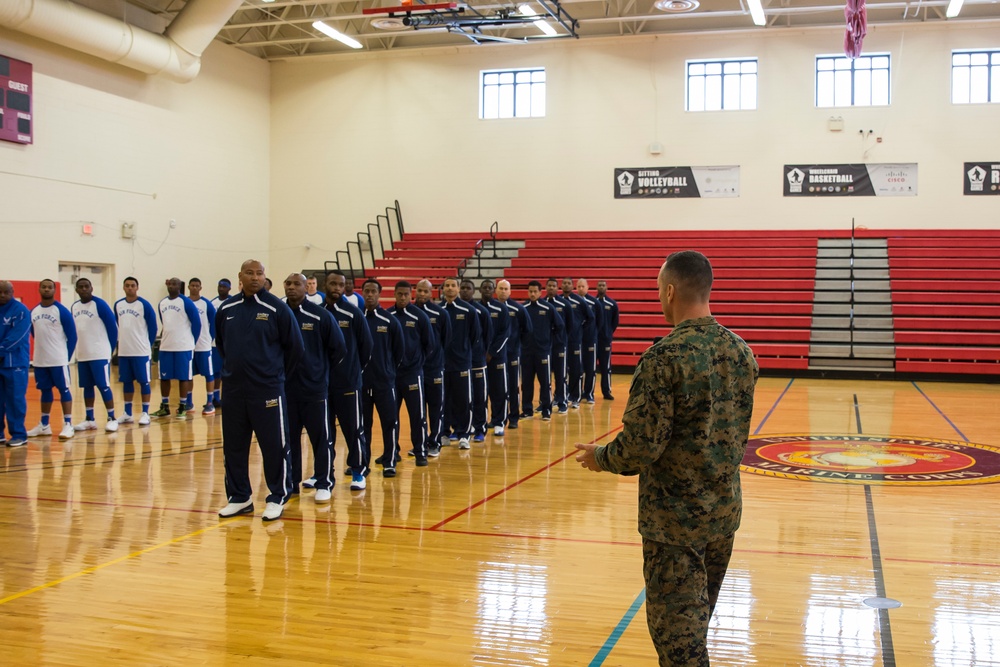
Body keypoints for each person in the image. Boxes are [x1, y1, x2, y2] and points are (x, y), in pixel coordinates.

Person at [575, 251, 758, 667]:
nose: (660, 298)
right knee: (696, 628)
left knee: (680, 648)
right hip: (723, 517)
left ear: (671, 291)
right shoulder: (742, 352)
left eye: (660, 290)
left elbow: (640, 447)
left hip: (675, 527)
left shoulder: (663, 359)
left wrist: (601, 457)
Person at [216, 259, 304, 522]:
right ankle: (239, 497)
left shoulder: (277, 308)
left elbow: (295, 348)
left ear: (265, 276)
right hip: (233, 391)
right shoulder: (226, 308)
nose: (255, 278)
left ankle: (277, 495)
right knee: (234, 446)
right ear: (240, 276)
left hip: (267, 390)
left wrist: (274, 376)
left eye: (259, 273)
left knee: (274, 446)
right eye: (249, 273)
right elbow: (222, 345)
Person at [283, 273, 344, 503]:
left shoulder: (320, 315)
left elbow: (338, 349)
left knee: (321, 438)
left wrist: (320, 371)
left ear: (307, 287)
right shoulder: (280, 314)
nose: (292, 288)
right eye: (288, 284)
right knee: (290, 439)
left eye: (297, 284)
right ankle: (292, 482)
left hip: (315, 390)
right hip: (287, 390)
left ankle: (324, 482)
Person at [323, 270, 373, 491]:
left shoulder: (353, 313)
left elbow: (367, 347)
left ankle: (357, 471)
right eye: (332, 283)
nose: (336, 288)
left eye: (340, 285)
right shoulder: (318, 313)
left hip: (348, 382)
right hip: (321, 384)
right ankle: (323, 473)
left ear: (345, 288)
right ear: (326, 285)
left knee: (353, 429)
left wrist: (353, 370)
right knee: (324, 432)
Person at [360, 279, 405, 477]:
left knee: (389, 422)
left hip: (385, 383)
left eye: (373, 292)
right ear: (362, 293)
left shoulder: (389, 320)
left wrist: (387, 371)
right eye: (366, 291)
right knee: (362, 425)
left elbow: (399, 352)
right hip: (360, 384)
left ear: (379, 294)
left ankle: (389, 460)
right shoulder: (356, 318)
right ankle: (362, 462)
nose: (369, 295)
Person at [27, 279, 77, 441]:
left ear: (54, 290)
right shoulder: (33, 311)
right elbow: (35, 334)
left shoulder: (61, 311)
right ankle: (44, 424)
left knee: (64, 390)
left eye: (50, 287)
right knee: (45, 391)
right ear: (39, 289)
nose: (47, 290)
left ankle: (68, 424)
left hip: (58, 360)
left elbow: (72, 336)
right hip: (41, 360)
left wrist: (65, 357)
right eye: (44, 287)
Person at [390, 281, 434, 465]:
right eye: (399, 294)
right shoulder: (388, 316)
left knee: (417, 416)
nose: (402, 298)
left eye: (406, 294)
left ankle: (420, 451)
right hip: (391, 376)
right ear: (394, 294)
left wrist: (416, 362)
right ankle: (392, 452)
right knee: (390, 416)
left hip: (413, 374)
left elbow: (429, 344)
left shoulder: (419, 316)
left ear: (411, 295)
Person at [71, 278, 119, 432]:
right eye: (81, 287)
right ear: (76, 289)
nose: (84, 289)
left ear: (92, 288)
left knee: (103, 385)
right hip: (84, 354)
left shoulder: (100, 305)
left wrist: (109, 350)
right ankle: (89, 419)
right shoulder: (74, 307)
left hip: (99, 354)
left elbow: (113, 329)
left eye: (86, 286)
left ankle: (112, 418)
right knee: (87, 386)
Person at [440, 276, 480, 450]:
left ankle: (464, 434)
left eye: (453, 286)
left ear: (457, 289)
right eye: (447, 286)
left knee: (463, 399)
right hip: (441, 364)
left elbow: (475, 336)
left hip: (462, 362)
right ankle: (444, 432)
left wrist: (463, 351)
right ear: (443, 289)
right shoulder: (437, 310)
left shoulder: (468, 310)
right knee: (443, 399)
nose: (450, 288)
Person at [153, 278, 201, 420]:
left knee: (183, 377)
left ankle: (182, 406)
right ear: (167, 285)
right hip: (166, 346)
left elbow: (196, 323)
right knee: (164, 377)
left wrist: (191, 341)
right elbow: (164, 322)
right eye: (170, 284)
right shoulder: (162, 303)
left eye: (175, 284)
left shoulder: (186, 302)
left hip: (183, 347)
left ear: (180, 286)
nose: (172, 286)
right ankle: (165, 406)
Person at [113, 276, 157, 425]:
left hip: (141, 352)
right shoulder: (118, 305)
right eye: (127, 285)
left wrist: (147, 345)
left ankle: (145, 413)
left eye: (133, 285)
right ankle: (127, 413)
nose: (130, 288)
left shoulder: (144, 305)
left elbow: (153, 328)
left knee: (144, 382)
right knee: (126, 382)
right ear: (123, 287)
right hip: (125, 352)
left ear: (137, 287)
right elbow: (116, 326)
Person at [415, 279, 451, 455]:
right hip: (413, 370)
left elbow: (446, 340)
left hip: (434, 368)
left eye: (425, 291)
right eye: (419, 291)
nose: (422, 294)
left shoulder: (440, 313)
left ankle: (435, 441)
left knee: (436, 407)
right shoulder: (409, 312)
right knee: (418, 410)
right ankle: (419, 443)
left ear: (432, 293)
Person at [520, 280, 563, 421]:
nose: (532, 294)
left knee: (545, 382)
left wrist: (547, 341)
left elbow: (559, 326)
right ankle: (527, 410)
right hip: (526, 352)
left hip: (543, 352)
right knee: (526, 382)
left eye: (535, 291)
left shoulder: (548, 308)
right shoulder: (523, 308)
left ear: (540, 292)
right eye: (530, 291)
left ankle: (546, 410)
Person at [495, 279, 531, 432]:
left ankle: (514, 417)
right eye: (501, 288)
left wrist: (516, 345)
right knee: (496, 387)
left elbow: (527, 329)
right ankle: (496, 418)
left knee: (512, 386)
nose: (503, 291)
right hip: (495, 355)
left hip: (512, 354)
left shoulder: (518, 309)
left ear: (510, 292)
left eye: (506, 289)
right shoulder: (491, 308)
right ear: (496, 291)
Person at [460, 279, 492, 443]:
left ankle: (480, 428)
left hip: (477, 361)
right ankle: (464, 427)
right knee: (462, 397)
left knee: (479, 396)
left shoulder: (481, 311)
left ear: (474, 291)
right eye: (462, 288)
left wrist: (483, 352)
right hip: (459, 362)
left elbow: (487, 335)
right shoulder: (452, 310)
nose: (465, 291)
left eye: (468, 288)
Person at [0, 281, 31, 447]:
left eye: (6, 292)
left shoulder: (21, 311)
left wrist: (1, 350)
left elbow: (17, 336)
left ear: (12, 292)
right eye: (0, 292)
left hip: (15, 363)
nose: (2, 295)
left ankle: (19, 434)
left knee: (15, 399)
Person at [479, 279, 510, 437]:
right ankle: (481, 422)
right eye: (484, 287)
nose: (487, 290)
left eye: (489, 287)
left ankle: (499, 422)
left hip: (497, 358)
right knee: (481, 391)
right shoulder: (475, 308)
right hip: (478, 359)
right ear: (480, 289)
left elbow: (504, 334)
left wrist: (491, 352)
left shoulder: (501, 308)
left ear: (494, 290)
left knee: (499, 391)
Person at [188, 277, 218, 415]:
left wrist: (208, 339)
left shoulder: (206, 304)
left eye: (197, 286)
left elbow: (214, 324)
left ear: (201, 288)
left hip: (204, 346)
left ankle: (210, 402)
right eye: (192, 285)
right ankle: (189, 402)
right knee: (188, 375)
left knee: (209, 375)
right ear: (188, 287)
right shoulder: (185, 303)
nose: (194, 288)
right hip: (188, 346)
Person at [545, 278, 571, 414]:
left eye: (554, 286)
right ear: (546, 287)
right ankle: (546, 402)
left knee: (560, 375)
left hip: (560, 345)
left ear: (557, 288)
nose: (551, 288)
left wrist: (563, 339)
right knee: (545, 376)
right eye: (549, 286)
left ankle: (562, 401)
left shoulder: (564, 304)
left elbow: (570, 325)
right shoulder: (542, 303)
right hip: (544, 346)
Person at [561, 277, 588, 408]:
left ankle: (575, 396)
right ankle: (561, 396)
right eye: (564, 283)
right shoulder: (558, 301)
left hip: (575, 340)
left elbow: (590, 317)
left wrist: (579, 329)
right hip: (560, 341)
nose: (566, 285)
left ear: (572, 286)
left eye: (568, 283)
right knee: (561, 370)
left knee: (576, 369)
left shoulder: (578, 301)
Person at [576, 278, 603, 403]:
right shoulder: (573, 302)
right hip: (576, 340)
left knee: (590, 368)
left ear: (587, 287)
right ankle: (577, 393)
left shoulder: (594, 302)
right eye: (579, 286)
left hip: (590, 340)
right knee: (577, 368)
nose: (581, 288)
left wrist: (593, 333)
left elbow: (600, 321)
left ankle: (589, 393)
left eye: (583, 286)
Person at [209, 278, 232, 410]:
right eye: (220, 286)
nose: (221, 289)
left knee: (227, 373)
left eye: (224, 287)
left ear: (229, 289)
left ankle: (227, 397)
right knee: (216, 372)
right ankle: (215, 397)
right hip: (215, 343)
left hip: (230, 343)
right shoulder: (213, 303)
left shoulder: (233, 302)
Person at [596, 280, 620, 400]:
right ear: (596, 287)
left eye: (603, 285)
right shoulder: (592, 303)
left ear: (606, 288)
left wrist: (608, 333)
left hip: (605, 340)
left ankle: (606, 391)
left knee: (605, 367)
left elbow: (615, 322)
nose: (601, 287)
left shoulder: (612, 304)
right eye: (599, 285)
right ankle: (587, 392)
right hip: (592, 340)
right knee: (589, 368)